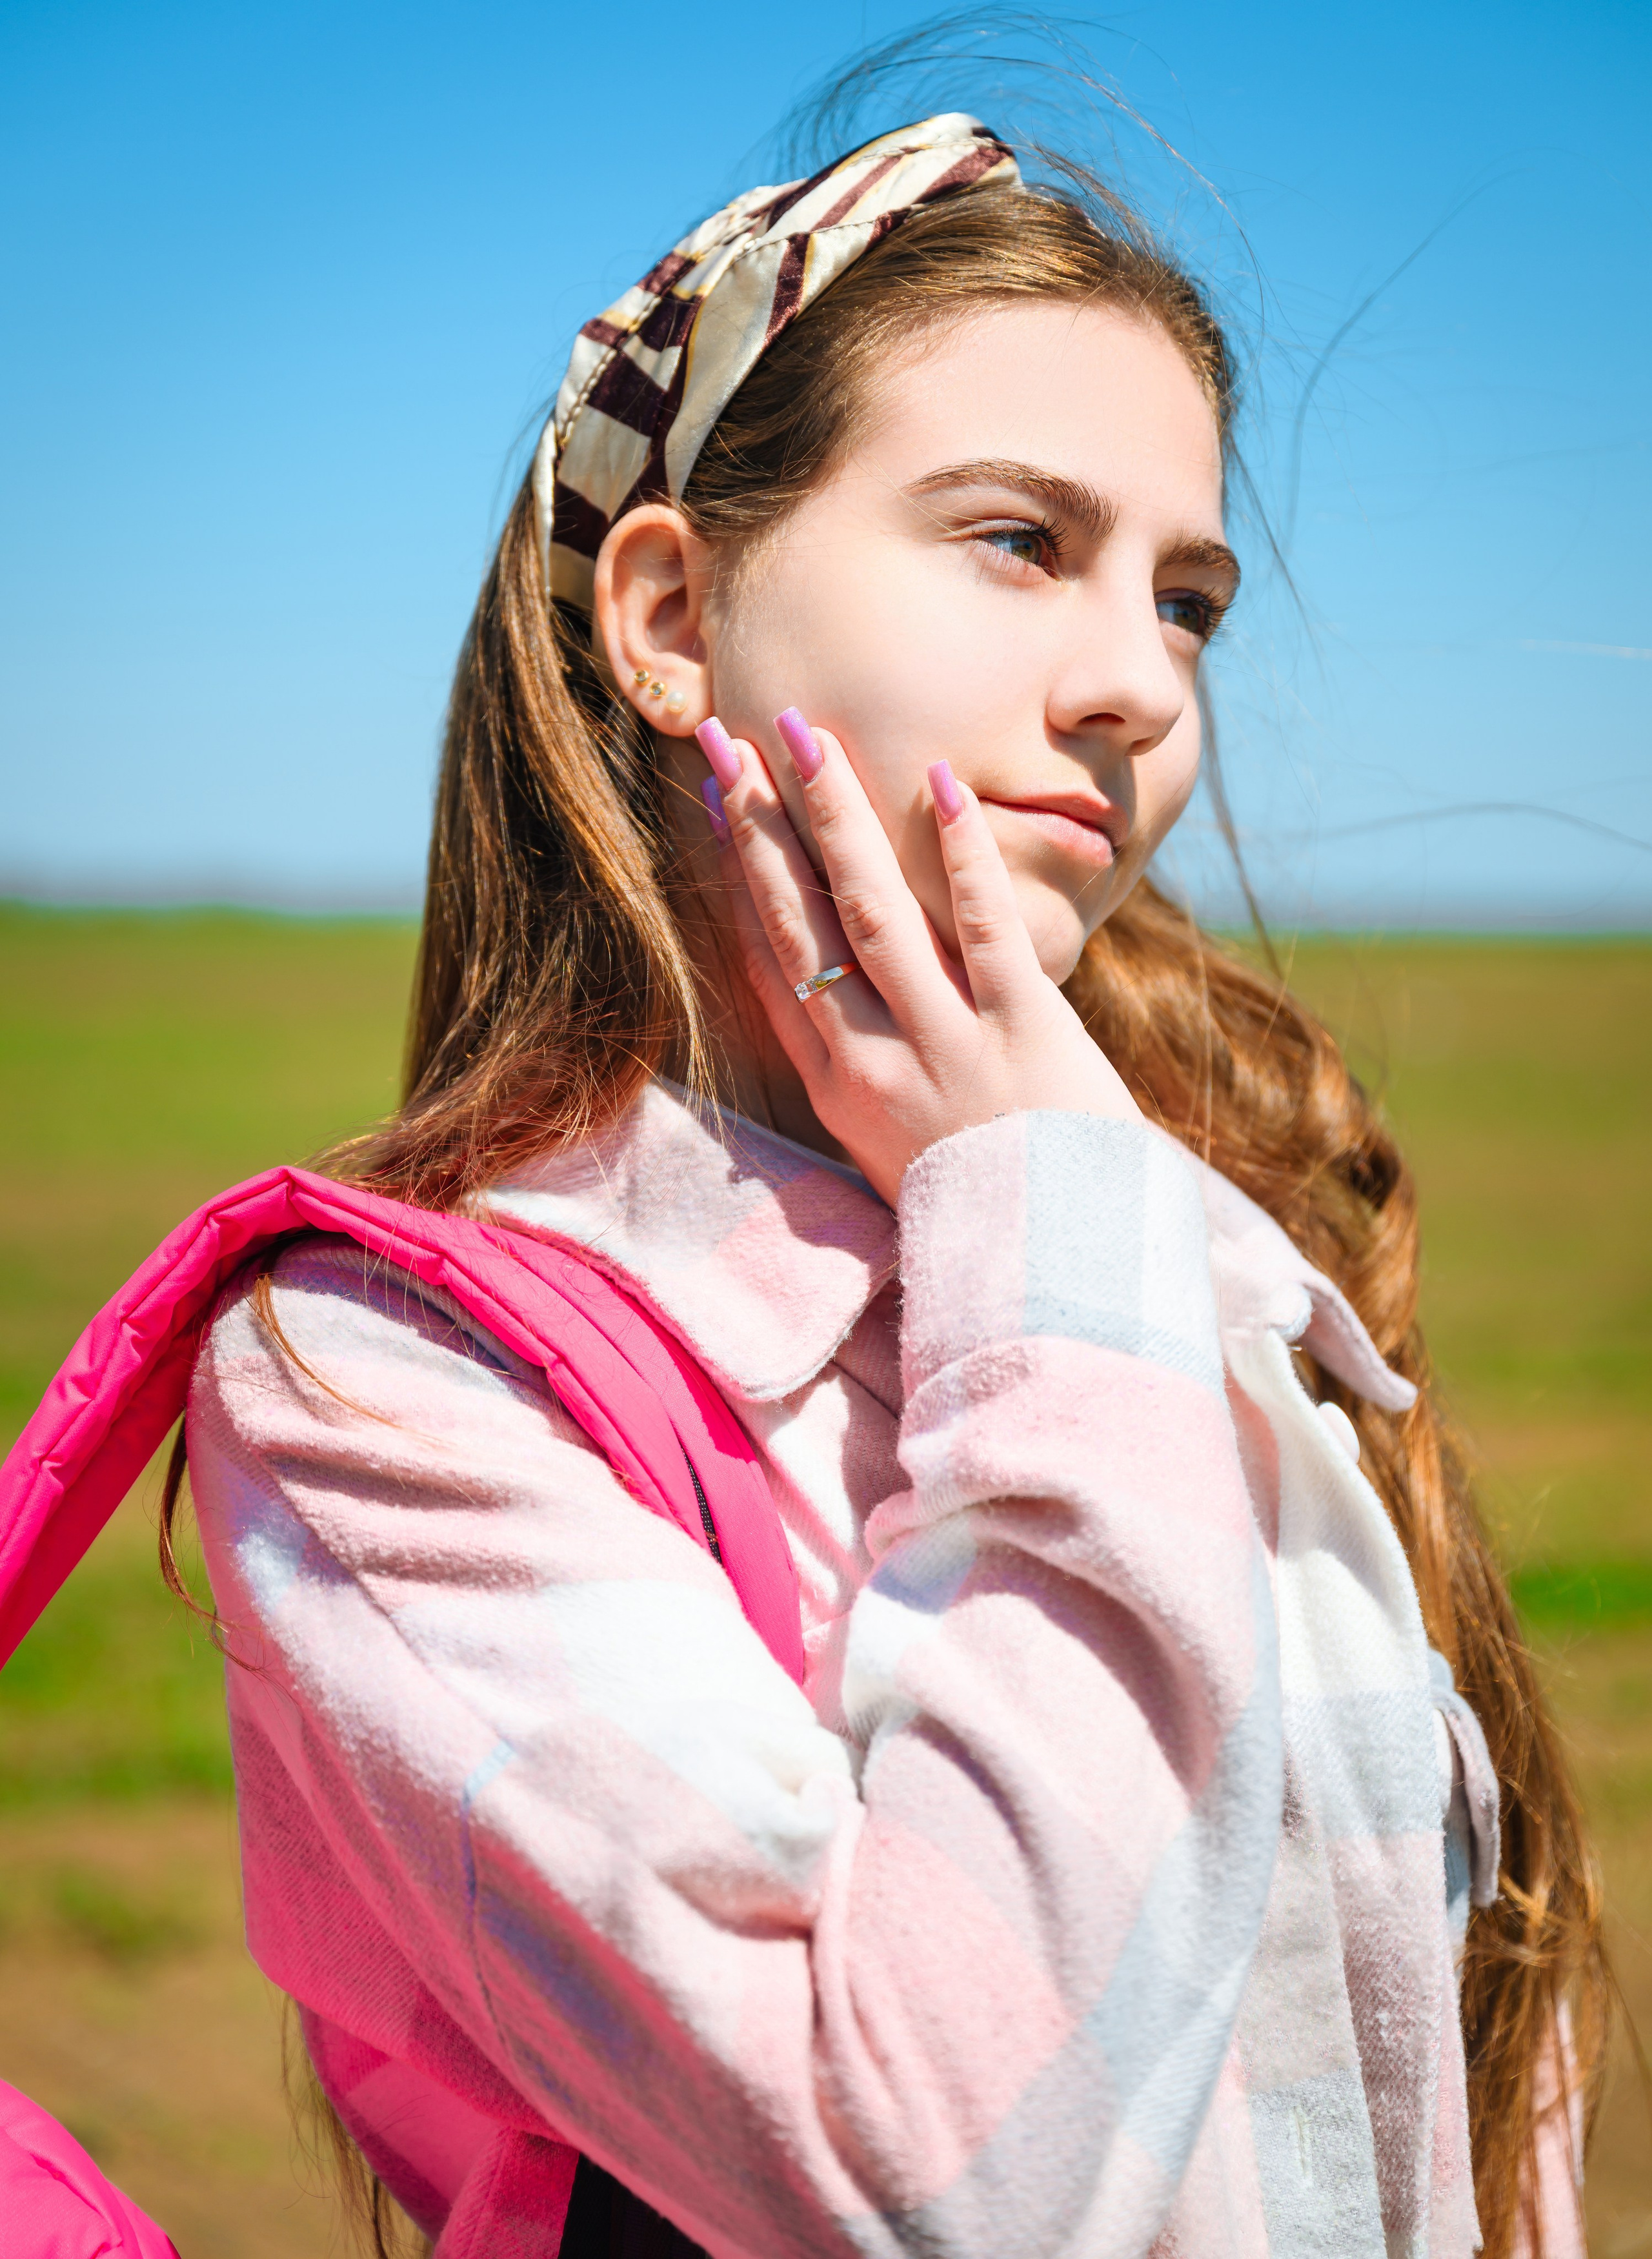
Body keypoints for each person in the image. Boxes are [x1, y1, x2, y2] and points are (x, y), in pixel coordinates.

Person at [167, 113, 1602, 2257]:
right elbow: (936, 2173)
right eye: (1022, 537)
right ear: (670, 616)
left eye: (1187, 593)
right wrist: (1048, 1236)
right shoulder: (384, 1385)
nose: (1143, 683)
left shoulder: (1203, 1248)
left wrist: (1076, 1219)